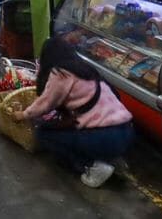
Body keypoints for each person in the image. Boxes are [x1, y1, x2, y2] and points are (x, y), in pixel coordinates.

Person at [13, 38, 134, 188]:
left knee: (44, 134)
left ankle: (92, 166)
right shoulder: (84, 70)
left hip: (105, 136)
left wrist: (23, 114)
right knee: (67, 129)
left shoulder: (60, 73)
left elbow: (45, 103)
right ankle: (110, 158)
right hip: (126, 131)